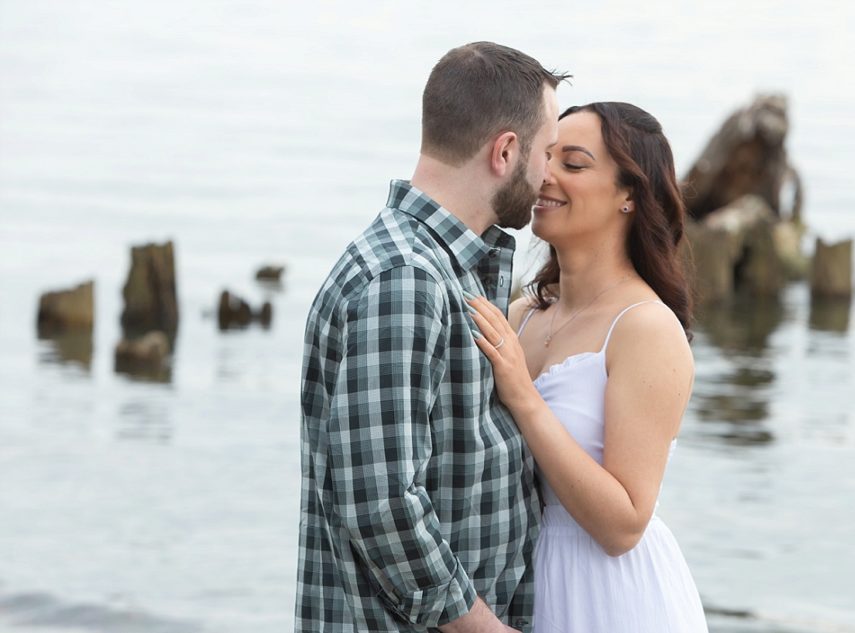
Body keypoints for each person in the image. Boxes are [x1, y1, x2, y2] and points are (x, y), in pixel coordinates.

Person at [295, 42, 568, 633]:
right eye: (546, 152)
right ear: (505, 151)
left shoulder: (451, 267)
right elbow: (382, 504)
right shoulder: (405, 280)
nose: (548, 174)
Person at [467, 102, 709, 632]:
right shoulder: (522, 316)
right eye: (545, 156)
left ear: (629, 196)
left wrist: (524, 398)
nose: (544, 175)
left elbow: (623, 525)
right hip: (521, 585)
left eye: (573, 165)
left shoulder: (645, 327)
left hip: (611, 597)